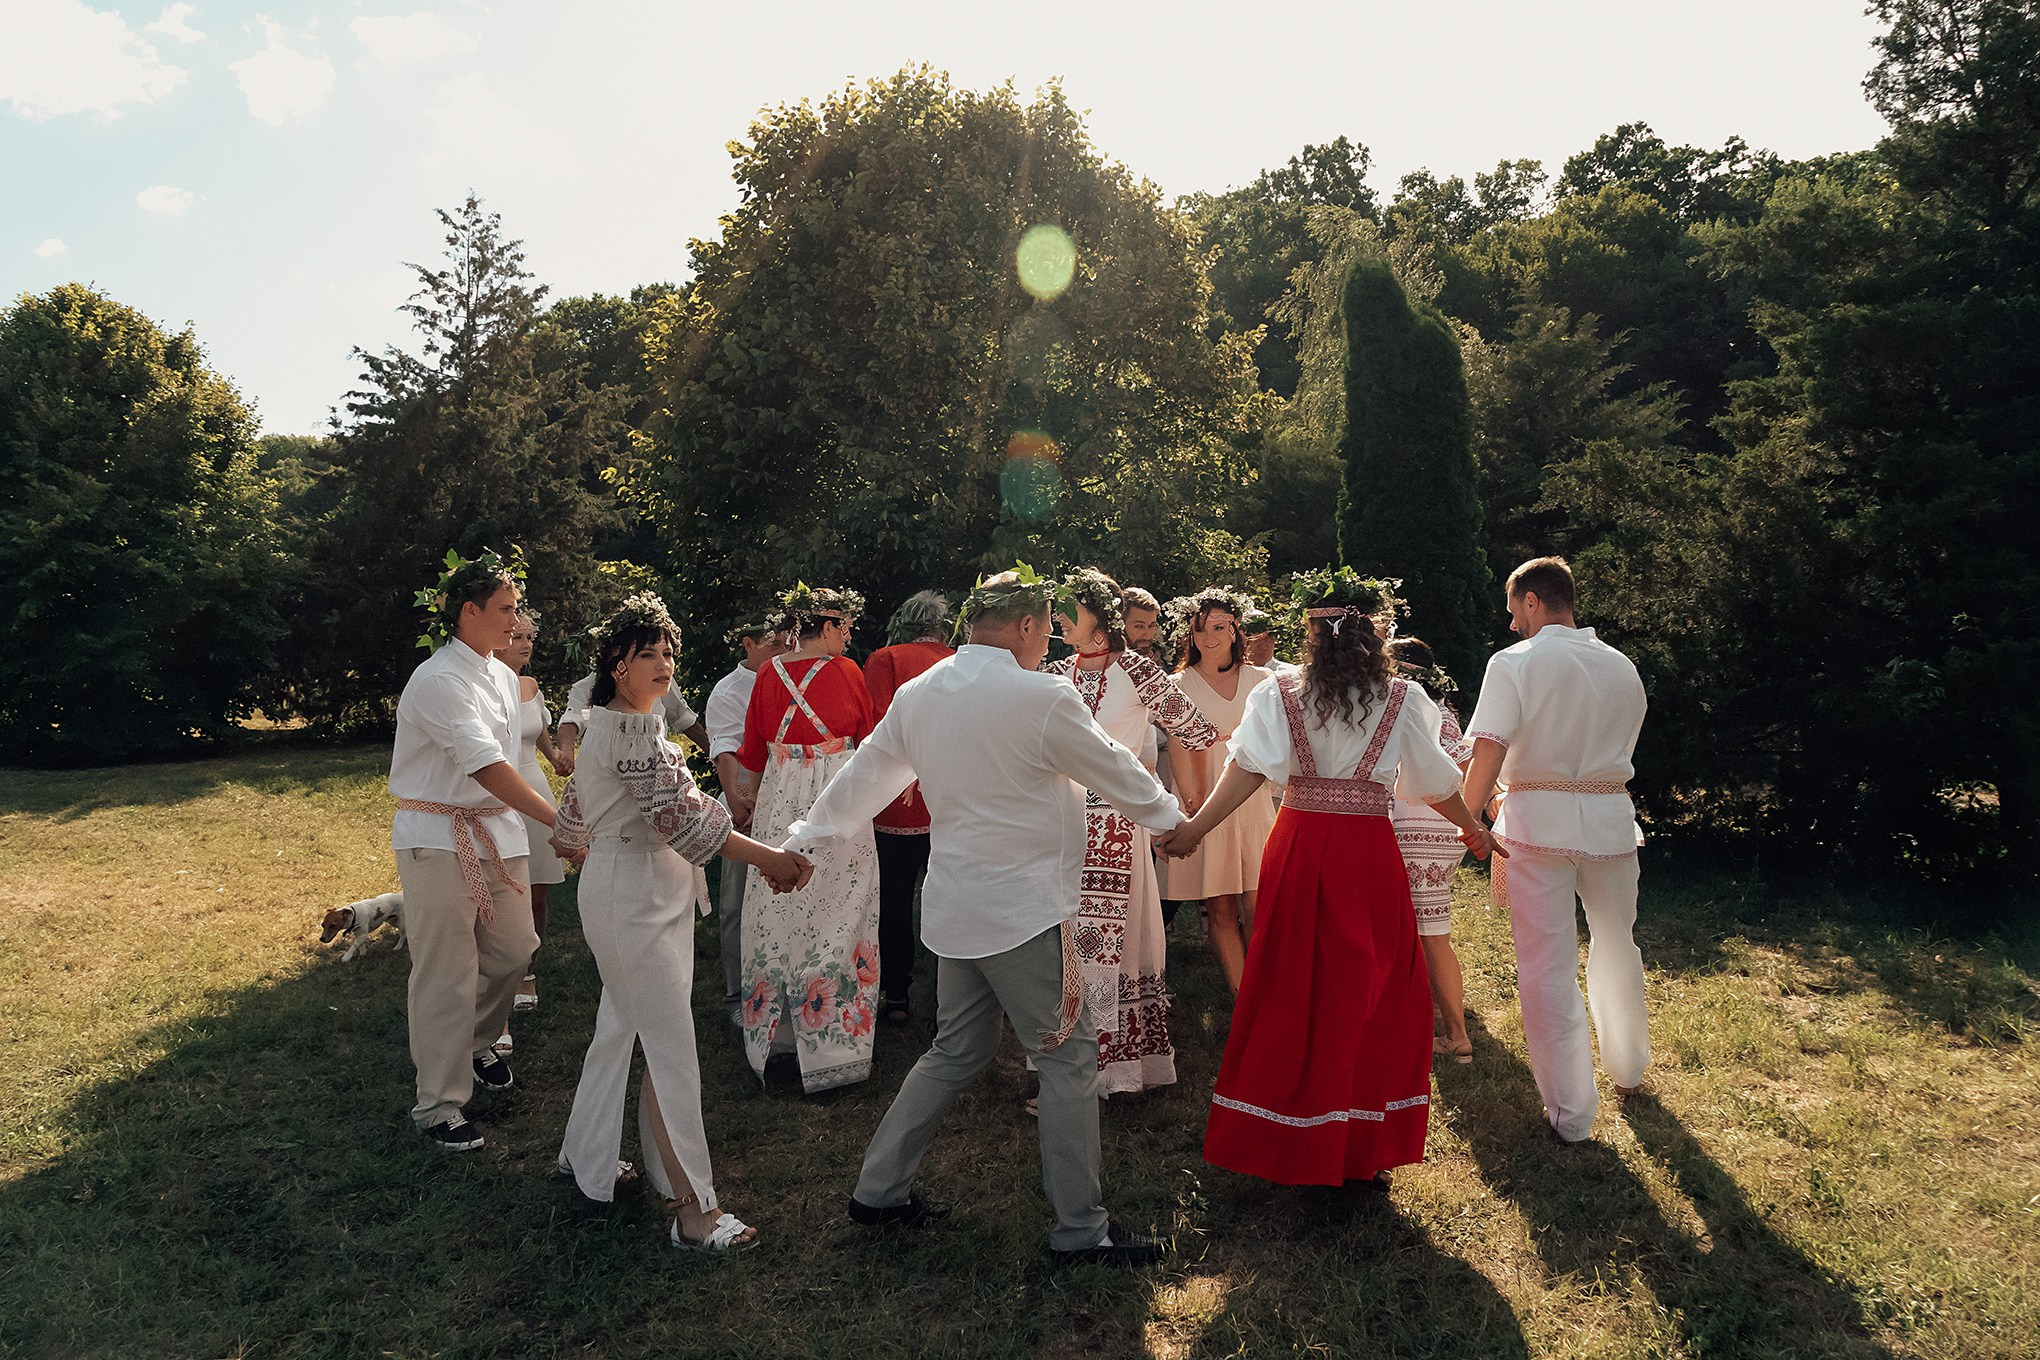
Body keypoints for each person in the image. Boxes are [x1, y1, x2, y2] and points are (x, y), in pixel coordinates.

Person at [787, 568, 1181, 1266]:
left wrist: (804, 841)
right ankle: (1081, 1230)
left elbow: (863, 779)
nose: (1047, 643)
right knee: (1068, 1059)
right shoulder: (1042, 695)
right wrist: (1172, 818)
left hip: (953, 910)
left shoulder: (919, 693)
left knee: (955, 1052)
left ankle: (878, 1191)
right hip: (1025, 914)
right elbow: (1112, 766)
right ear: (1029, 627)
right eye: (1046, 631)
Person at [1163, 570, 1502, 1187]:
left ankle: (1290, 1131)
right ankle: (1357, 1136)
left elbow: (1244, 771)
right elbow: (1436, 782)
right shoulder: (1404, 700)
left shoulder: (1280, 695)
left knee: (1293, 986)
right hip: (1366, 853)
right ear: (1378, 631)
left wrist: (1194, 829)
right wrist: (1472, 825)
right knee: (1368, 987)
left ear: (1310, 632)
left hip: (1298, 845)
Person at [551, 592, 813, 1250]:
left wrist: (600, 841)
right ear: (615, 665)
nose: (665, 663)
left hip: (638, 889)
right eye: (648, 654)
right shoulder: (630, 733)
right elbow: (690, 825)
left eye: (669, 651)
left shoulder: (607, 725)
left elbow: (567, 827)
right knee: (671, 1050)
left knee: (621, 1027)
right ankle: (693, 1212)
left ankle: (582, 1158)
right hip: (633, 896)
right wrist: (775, 860)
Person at [1462, 556, 1649, 1144]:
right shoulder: (1623, 666)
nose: (1512, 622)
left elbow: (1487, 749)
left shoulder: (1513, 662)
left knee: (1546, 965)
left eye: (1514, 608)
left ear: (1534, 601)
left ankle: (1570, 1113)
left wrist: (1467, 819)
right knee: (1618, 941)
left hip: (1536, 828)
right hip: (1611, 822)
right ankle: (1628, 1066)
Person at [388, 552, 552, 1151]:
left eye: (515, 610)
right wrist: (559, 824)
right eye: (505, 610)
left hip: (497, 833)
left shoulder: (503, 677)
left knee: (516, 950)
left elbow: (509, 766)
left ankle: (479, 1042)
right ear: (469, 612)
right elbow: (485, 765)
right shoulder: (437, 679)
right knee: (446, 973)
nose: (515, 621)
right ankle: (439, 1103)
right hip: (436, 837)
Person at [1045, 569, 1216, 1094]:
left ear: (1100, 619)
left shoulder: (1139, 671)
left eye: (1071, 611)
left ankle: (1110, 1069)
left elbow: (1194, 729)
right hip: (1059, 823)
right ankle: (1066, 1061)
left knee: (1111, 940)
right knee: (1062, 935)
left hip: (1117, 823)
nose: (1060, 619)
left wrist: (1181, 799)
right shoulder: (1054, 672)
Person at [735, 584, 880, 1093]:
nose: (847, 636)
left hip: (780, 792)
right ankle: (834, 1041)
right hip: (835, 792)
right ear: (824, 627)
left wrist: (752, 791)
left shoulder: (768, 672)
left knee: (777, 902)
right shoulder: (846, 672)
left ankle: (776, 1036)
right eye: (843, 626)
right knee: (841, 899)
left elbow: (753, 746)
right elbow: (867, 736)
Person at [1159, 588, 1280, 993]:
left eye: (1217, 627)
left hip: (1251, 801)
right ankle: (1243, 995)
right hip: (1203, 800)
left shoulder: (1262, 681)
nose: (1208, 638)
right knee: (1220, 906)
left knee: (1259, 905)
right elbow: (1178, 742)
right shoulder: (1178, 683)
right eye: (1198, 630)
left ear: (1234, 629)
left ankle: (1268, 988)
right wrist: (1193, 804)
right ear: (1189, 637)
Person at [863, 590, 955, 1024]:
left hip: (896, 800)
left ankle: (896, 993)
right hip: (952, 797)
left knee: (894, 897)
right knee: (953, 894)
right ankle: (955, 996)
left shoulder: (885, 660)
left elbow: (880, 726)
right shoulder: (960, 659)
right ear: (941, 625)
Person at [1387, 636, 1476, 1063]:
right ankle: (1438, 1016)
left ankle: (1456, 1035)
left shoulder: (1405, 707)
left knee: (1428, 931)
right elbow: (1460, 765)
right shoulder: (1444, 713)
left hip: (1413, 823)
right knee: (1430, 926)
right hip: (1442, 825)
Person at [704, 616, 788, 1021]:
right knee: (737, 900)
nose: (784, 652)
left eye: (788, 643)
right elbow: (725, 752)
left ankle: (784, 982)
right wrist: (741, 805)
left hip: (789, 798)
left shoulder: (790, 677)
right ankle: (738, 993)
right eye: (775, 645)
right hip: (746, 800)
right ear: (748, 644)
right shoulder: (729, 690)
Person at [496, 609, 563, 1026]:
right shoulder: (481, 686)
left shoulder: (530, 685)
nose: (526, 644)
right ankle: (498, 970)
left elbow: (539, 733)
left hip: (534, 784)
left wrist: (557, 756)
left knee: (536, 887)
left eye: (530, 637)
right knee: (505, 886)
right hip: (499, 787)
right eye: (517, 636)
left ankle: (527, 971)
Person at [555, 658, 708, 774]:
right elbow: (570, 720)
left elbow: (684, 718)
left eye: (666, 654)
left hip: (656, 765)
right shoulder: (590, 685)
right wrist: (567, 753)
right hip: (610, 768)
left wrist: (717, 755)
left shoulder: (661, 680)